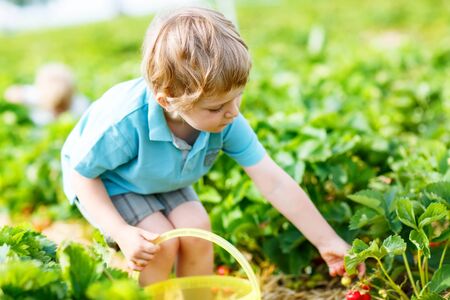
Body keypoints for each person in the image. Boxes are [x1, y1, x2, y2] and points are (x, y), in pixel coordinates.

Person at [61, 7, 364, 287]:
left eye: (238, 96)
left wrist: (326, 241)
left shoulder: (227, 120)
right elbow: (83, 175)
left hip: (160, 173)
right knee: (159, 244)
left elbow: (274, 182)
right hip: (109, 179)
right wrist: (121, 232)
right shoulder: (124, 122)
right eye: (217, 106)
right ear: (167, 100)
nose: (232, 112)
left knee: (197, 226)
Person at [4, 63, 89, 126]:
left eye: (62, 107)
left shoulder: (80, 105)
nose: (58, 113)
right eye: (54, 108)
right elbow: (11, 93)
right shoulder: (35, 96)